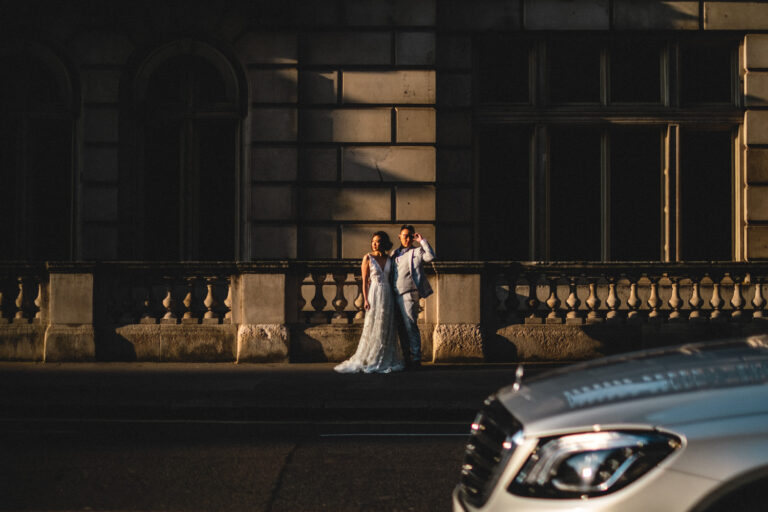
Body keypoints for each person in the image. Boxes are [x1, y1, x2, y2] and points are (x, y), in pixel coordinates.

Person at [334, 231, 405, 374]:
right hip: (374, 293)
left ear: (383, 243)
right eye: (373, 241)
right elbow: (365, 282)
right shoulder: (367, 258)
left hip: (388, 293)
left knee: (385, 324)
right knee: (373, 323)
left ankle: (384, 355)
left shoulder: (390, 259)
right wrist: (365, 299)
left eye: (378, 241)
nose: (374, 243)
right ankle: (371, 356)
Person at [392, 225, 435, 368]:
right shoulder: (394, 254)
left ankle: (416, 358)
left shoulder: (417, 251)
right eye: (405, 235)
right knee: (400, 327)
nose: (408, 238)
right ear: (399, 236)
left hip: (409, 293)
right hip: (394, 294)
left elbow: (431, 257)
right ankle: (405, 357)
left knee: (410, 326)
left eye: (410, 236)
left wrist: (422, 241)